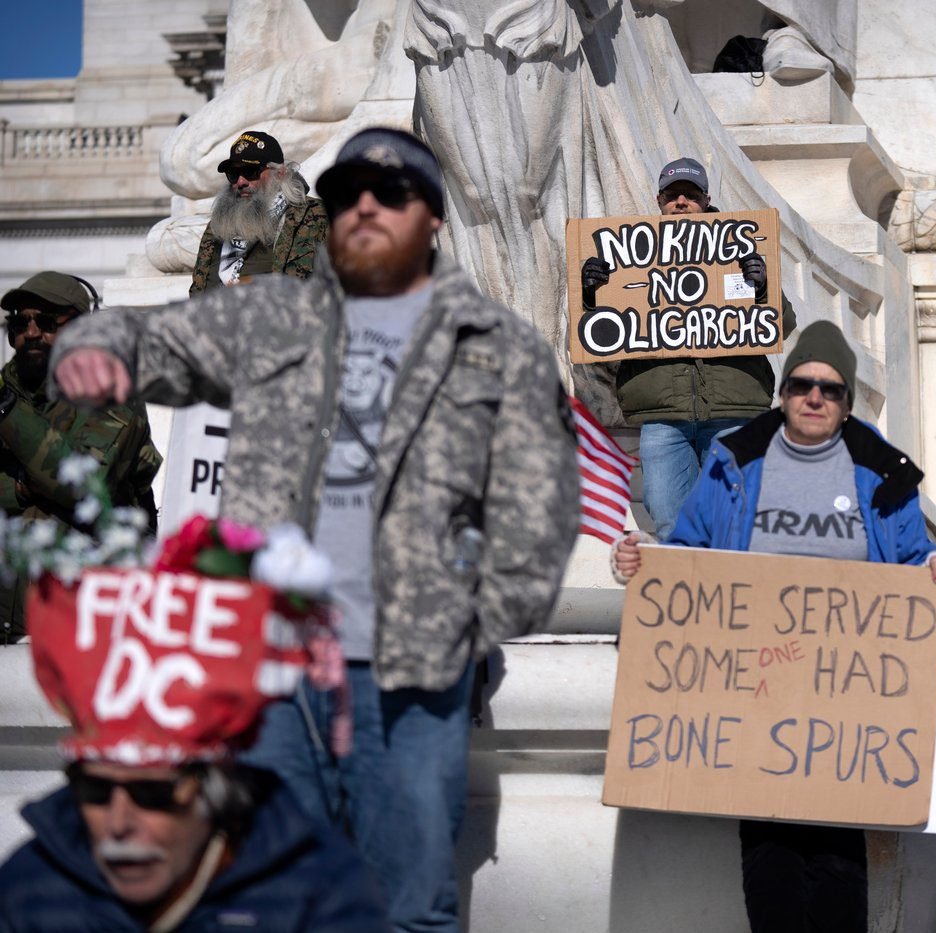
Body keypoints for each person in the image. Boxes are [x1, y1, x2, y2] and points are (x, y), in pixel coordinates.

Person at [50, 127, 580, 933]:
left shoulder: (496, 346)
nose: (366, 205)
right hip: (273, 673)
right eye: (347, 194)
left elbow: (542, 507)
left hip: (409, 676)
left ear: (433, 219)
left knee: (410, 904)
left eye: (392, 192)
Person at [613, 320, 936, 933]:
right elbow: (691, 549)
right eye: (802, 384)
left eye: (830, 390)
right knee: (769, 859)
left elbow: (912, 564)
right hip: (757, 689)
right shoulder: (735, 460)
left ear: (847, 403)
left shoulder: (883, 471)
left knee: (838, 864)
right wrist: (644, 560)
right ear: (781, 393)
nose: (814, 397)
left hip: (849, 702)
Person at [0, 557, 388, 931]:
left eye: (152, 795)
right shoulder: (29, 890)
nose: (118, 825)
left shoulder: (321, 895)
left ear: (216, 793)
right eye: (94, 790)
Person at [582, 156, 797, 540]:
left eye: (691, 194)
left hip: (734, 413)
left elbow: (784, 323)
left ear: (707, 199)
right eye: (672, 194)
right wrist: (592, 294)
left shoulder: (739, 250)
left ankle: (731, 596)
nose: (681, 202)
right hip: (663, 418)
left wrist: (762, 287)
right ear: (659, 200)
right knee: (668, 521)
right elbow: (600, 334)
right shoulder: (627, 258)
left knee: (733, 520)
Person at [0, 272, 161, 645]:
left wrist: (7, 414)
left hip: (86, 622)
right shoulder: (7, 391)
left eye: (47, 321)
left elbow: (84, 486)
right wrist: (25, 487)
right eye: (21, 322)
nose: (32, 332)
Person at [189, 130, 329, 294]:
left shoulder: (315, 217)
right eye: (233, 174)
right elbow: (199, 290)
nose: (241, 182)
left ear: (280, 173)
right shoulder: (219, 226)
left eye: (250, 172)